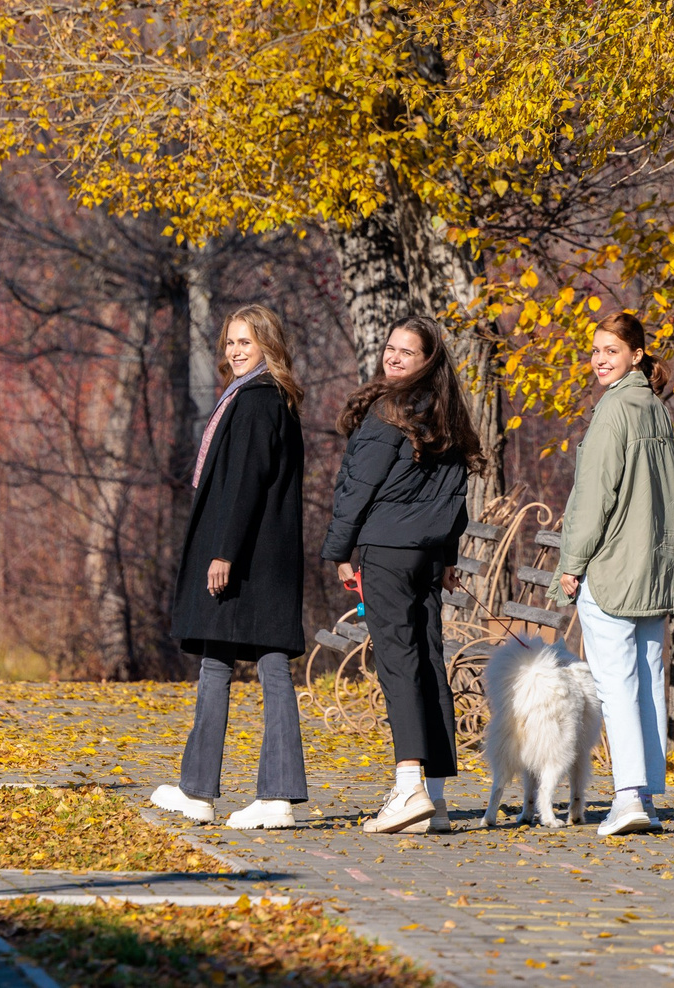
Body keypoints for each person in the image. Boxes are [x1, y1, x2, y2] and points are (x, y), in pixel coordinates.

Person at [322, 315, 483, 834]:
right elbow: (453, 499)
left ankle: (409, 784)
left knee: (399, 664)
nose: (392, 357)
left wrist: (342, 550)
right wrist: (449, 556)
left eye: (406, 352)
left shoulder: (389, 412)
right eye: (390, 348)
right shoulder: (446, 414)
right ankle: (433, 797)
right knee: (428, 660)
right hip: (428, 557)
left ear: (427, 361)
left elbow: (356, 489)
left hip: (388, 552)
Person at [151, 303, 308, 830]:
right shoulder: (253, 396)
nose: (235, 351)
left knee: (271, 665)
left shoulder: (259, 400)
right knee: (216, 663)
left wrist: (224, 552)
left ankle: (279, 795)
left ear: (267, 344)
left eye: (245, 342)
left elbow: (244, 482)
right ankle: (197, 790)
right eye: (230, 343)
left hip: (252, 560)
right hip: (252, 555)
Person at [555, 312, 674, 836]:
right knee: (648, 683)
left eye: (611, 349)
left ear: (636, 354)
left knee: (618, 685)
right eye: (595, 351)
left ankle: (629, 797)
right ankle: (646, 797)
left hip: (612, 569)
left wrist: (572, 562)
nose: (600, 359)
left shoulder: (613, 412)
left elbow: (593, 498)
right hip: (652, 570)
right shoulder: (655, 409)